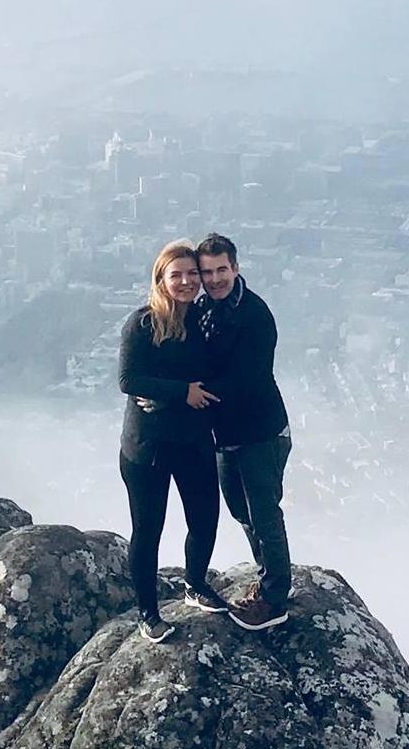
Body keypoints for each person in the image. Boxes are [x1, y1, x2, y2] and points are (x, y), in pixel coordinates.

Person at [116, 240, 232, 642]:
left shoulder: (202, 321)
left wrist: (169, 396)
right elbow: (129, 380)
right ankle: (148, 613)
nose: (186, 281)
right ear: (161, 280)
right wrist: (181, 392)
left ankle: (195, 583)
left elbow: (215, 375)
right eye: (177, 275)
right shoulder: (144, 323)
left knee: (204, 518)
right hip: (146, 449)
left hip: (194, 441)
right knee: (148, 529)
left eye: (191, 274)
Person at [193, 232, 294, 631]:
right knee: (241, 511)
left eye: (222, 269)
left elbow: (247, 379)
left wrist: (189, 396)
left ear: (236, 268)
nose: (215, 278)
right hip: (226, 437)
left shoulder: (254, 315)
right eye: (208, 272)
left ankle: (275, 598)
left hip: (262, 432)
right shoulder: (203, 310)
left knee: (264, 513)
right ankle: (266, 576)